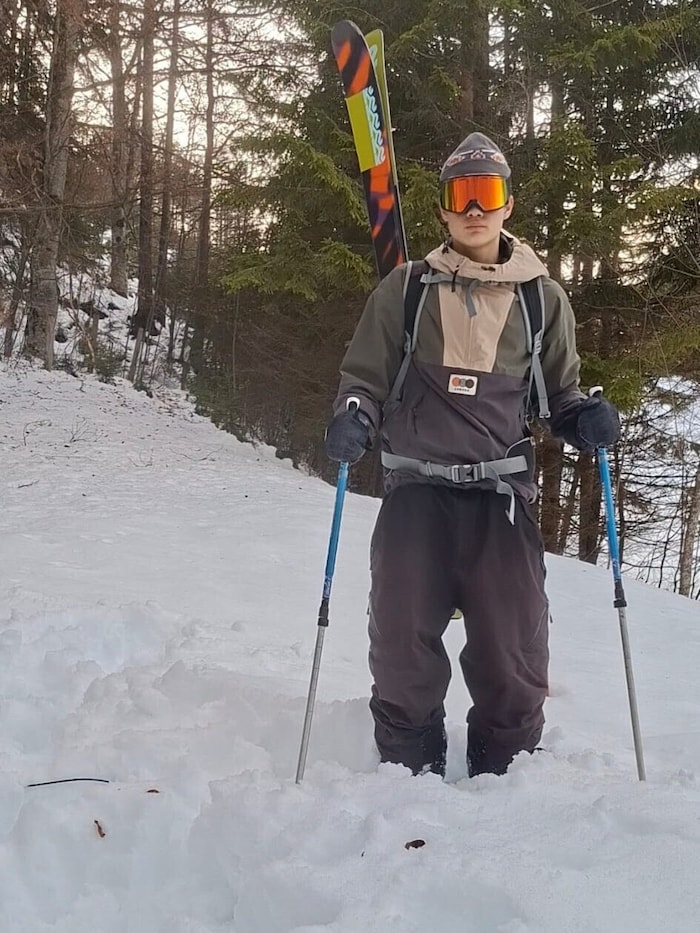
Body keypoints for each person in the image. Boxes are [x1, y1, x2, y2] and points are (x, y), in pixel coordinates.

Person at [324, 131, 620, 778]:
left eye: (487, 193)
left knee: (513, 651)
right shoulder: (405, 291)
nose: (476, 209)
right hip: (416, 495)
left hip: (501, 501)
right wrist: (354, 418)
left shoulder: (542, 300)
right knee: (401, 645)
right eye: (463, 195)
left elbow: (560, 396)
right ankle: (406, 776)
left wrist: (585, 420)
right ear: (443, 210)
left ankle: (504, 783)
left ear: (508, 203)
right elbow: (364, 382)